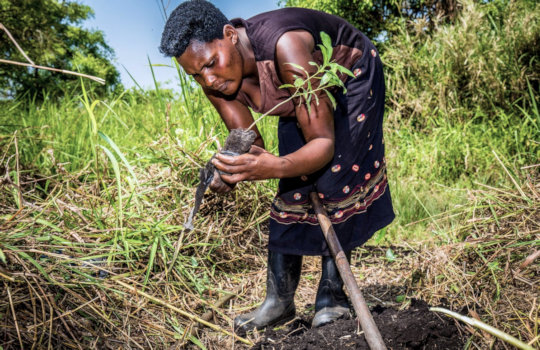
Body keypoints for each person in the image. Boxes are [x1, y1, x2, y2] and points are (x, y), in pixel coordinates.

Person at [160, 0, 395, 333]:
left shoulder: (286, 46)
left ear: (230, 35)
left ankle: (332, 298)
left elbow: (323, 145)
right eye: (196, 74)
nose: (209, 80)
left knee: (334, 178)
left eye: (212, 63)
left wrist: (272, 166)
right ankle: (279, 302)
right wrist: (229, 170)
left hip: (350, 78)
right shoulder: (212, 78)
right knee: (293, 184)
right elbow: (250, 142)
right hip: (301, 99)